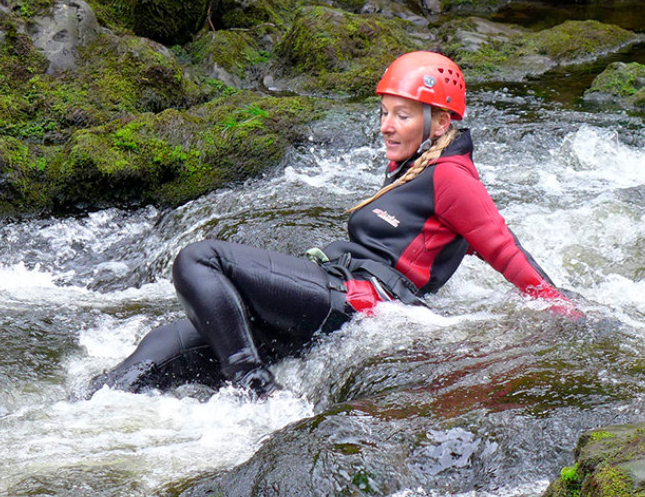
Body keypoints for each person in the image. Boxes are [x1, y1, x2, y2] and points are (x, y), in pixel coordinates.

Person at [89, 50, 578, 397]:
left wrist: (565, 310)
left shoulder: (452, 177)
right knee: (153, 355)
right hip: (332, 292)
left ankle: (254, 388)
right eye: (385, 113)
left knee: (201, 258)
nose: (386, 126)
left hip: (357, 303)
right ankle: (91, 409)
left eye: (402, 116)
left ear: (441, 123)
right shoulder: (417, 165)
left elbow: (505, 250)